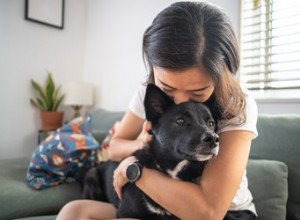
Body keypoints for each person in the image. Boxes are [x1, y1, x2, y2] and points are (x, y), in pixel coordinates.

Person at [56, 1, 258, 219]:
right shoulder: (151, 91)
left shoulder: (236, 103)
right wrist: (140, 144)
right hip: (156, 202)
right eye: (168, 89)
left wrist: (133, 169)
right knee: (73, 211)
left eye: (198, 93)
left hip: (221, 212)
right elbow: (114, 146)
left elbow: (208, 212)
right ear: (153, 67)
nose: (180, 101)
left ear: (223, 76)